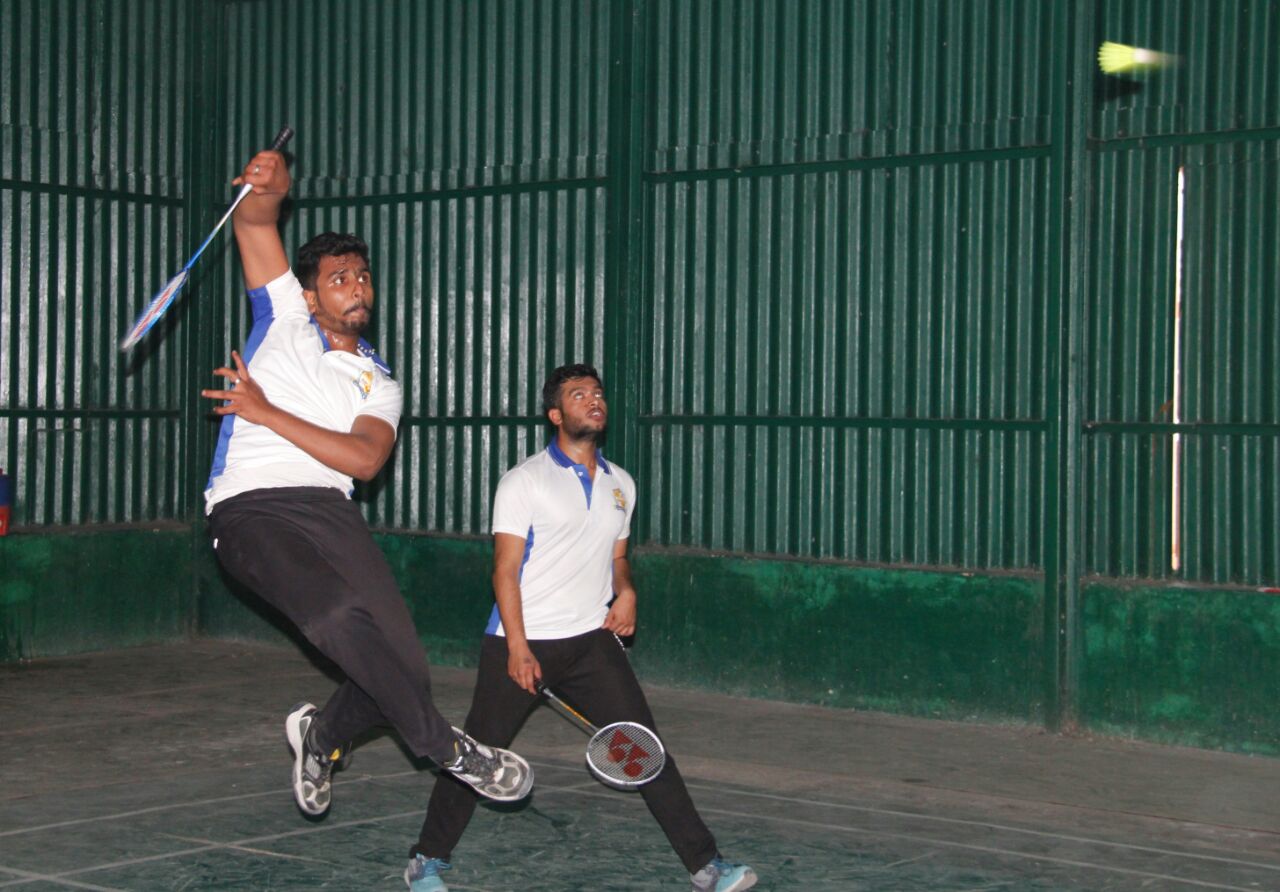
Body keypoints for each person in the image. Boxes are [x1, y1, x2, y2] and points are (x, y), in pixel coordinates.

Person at [200, 146, 533, 826]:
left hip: (330, 511)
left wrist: (266, 411)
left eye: (362, 276)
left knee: (402, 670)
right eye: (339, 278)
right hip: (248, 509)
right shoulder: (283, 318)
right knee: (333, 618)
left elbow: (363, 461)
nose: (356, 287)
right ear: (311, 293)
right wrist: (272, 181)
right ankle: (449, 750)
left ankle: (320, 738)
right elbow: (255, 221)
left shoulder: (380, 383)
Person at [405, 364, 757, 892]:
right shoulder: (524, 481)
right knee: (478, 757)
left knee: (644, 750)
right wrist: (518, 648)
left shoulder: (621, 484)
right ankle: (427, 859)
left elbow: (618, 559)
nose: (593, 400)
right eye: (577, 395)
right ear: (555, 414)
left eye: (597, 392)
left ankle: (706, 867)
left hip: (592, 642)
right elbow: (504, 570)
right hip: (522, 641)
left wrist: (627, 591)